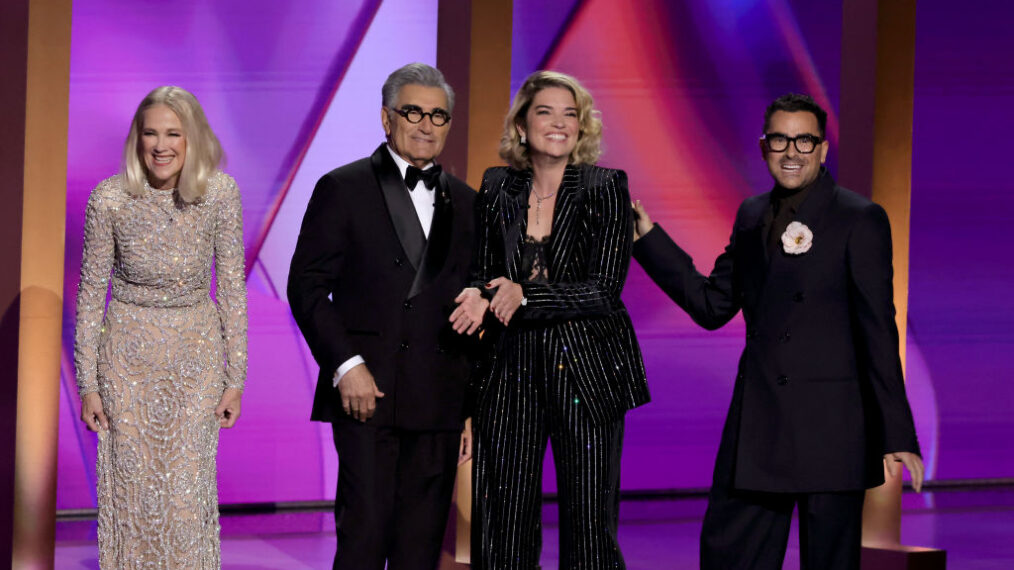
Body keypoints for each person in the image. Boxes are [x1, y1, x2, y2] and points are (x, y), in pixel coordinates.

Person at [631, 93, 924, 569]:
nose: (792, 151)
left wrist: (897, 431)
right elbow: (712, 305)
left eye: (804, 140)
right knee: (729, 554)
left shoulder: (859, 218)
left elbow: (878, 330)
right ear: (764, 146)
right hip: (760, 425)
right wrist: (648, 239)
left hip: (832, 430)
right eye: (780, 139)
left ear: (823, 149)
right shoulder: (751, 214)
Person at [450, 70, 649, 569]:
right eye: (545, 111)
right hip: (510, 370)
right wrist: (476, 293)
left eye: (570, 114)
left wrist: (525, 296)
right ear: (521, 126)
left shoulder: (606, 187)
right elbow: (483, 271)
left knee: (589, 527)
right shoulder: (497, 186)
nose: (559, 123)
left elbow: (603, 289)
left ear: (581, 128)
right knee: (503, 524)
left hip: (587, 369)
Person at [287, 63, 476, 570]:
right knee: (365, 538)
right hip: (365, 397)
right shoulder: (343, 187)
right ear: (386, 118)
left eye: (438, 115)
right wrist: (346, 365)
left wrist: (469, 408)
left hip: (438, 402)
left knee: (420, 549)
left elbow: (475, 306)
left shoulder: (468, 202)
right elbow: (306, 287)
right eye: (412, 111)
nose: (425, 124)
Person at [75, 85, 247, 568]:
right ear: (137, 139)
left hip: (195, 362)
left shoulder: (220, 195)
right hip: (126, 362)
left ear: (193, 139)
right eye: (150, 133)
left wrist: (236, 380)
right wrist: (88, 385)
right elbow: (90, 297)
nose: (161, 145)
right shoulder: (108, 199)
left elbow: (232, 290)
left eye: (173, 133)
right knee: (130, 490)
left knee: (185, 491)